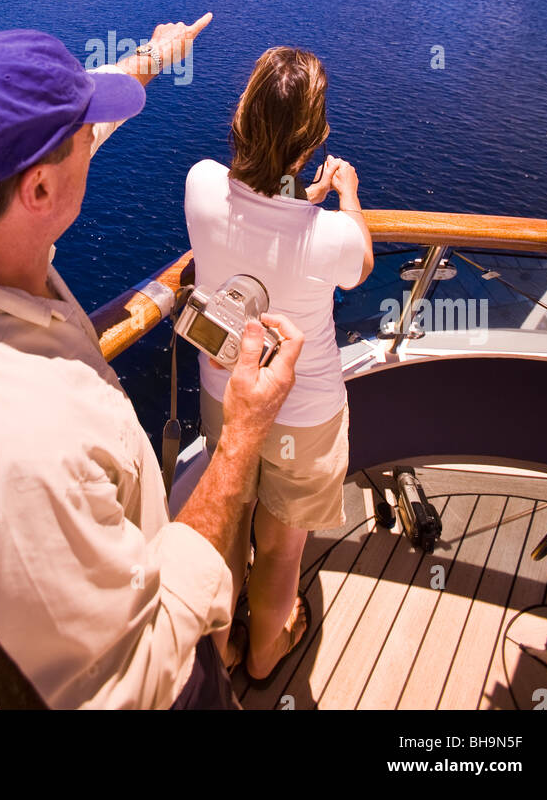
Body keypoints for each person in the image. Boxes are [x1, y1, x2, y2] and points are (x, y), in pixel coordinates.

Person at [0, 18, 305, 710]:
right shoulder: (24, 452)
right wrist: (246, 433)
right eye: (85, 132)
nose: (94, 138)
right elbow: (138, 677)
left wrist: (153, 60)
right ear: (39, 193)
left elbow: (50, 153)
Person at [184, 46, 374, 685]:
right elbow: (360, 260)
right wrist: (341, 194)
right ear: (313, 139)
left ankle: (220, 657)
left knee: (225, 530)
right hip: (304, 410)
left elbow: (256, 207)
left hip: (226, 391)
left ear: (241, 117)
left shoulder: (201, 185)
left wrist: (298, 191)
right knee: (282, 549)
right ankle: (265, 657)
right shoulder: (331, 236)